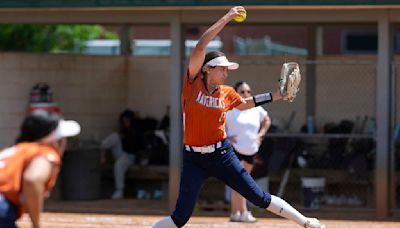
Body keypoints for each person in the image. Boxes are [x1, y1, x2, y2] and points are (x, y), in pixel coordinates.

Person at [152, 6, 325, 228]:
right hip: (194, 159)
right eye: (221, 69)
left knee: (258, 197)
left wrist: (278, 95)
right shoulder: (192, 84)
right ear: (207, 69)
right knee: (180, 217)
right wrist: (228, 17)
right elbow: (201, 45)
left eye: (227, 69)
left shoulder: (226, 92)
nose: (226, 72)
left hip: (222, 154)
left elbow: (245, 104)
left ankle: (306, 222)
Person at [0, 110, 81, 228]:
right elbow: (33, 179)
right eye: (61, 138)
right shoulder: (45, 153)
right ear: (54, 140)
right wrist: (36, 224)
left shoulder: (12, 152)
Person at [225, 81, 271, 223]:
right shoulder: (230, 108)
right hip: (235, 149)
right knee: (241, 180)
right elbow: (216, 122)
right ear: (236, 93)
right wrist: (226, 136)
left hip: (250, 149)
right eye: (242, 92)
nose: (246, 94)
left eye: (248, 92)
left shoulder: (255, 108)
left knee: (240, 181)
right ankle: (244, 212)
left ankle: (235, 213)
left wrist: (260, 135)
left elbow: (266, 120)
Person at [100, 109, 139, 199]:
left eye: (127, 120)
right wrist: (102, 156)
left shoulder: (136, 130)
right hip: (122, 154)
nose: (125, 122)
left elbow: (135, 147)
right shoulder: (123, 130)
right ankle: (98, 153)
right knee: (115, 137)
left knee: (119, 164)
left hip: (131, 156)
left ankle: (119, 190)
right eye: (124, 120)